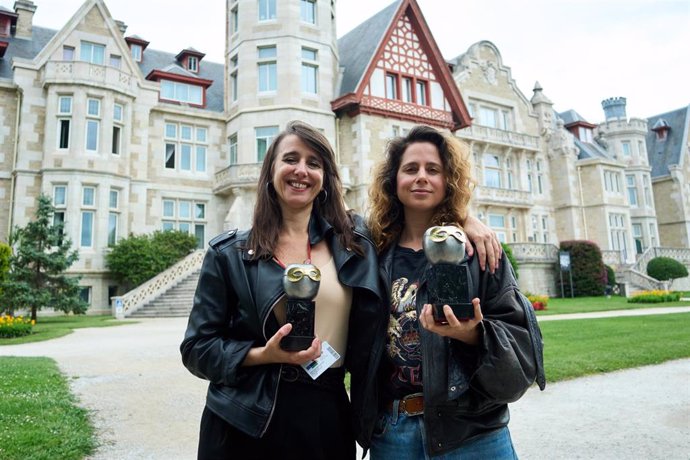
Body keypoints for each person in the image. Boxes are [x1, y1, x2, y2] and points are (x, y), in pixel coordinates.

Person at [180, 121, 501, 459]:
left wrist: (465, 219)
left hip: (326, 409)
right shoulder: (228, 253)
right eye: (290, 159)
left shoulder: (353, 240)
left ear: (325, 178)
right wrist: (264, 355)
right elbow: (196, 348)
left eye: (314, 163)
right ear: (270, 170)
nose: (301, 170)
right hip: (246, 415)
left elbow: (411, 211)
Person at [366, 125, 545, 459]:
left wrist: (473, 334)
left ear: (448, 180)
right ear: (393, 180)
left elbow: (515, 330)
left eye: (433, 170)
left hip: (472, 431)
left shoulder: (478, 249)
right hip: (393, 432)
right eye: (410, 169)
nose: (421, 177)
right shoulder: (374, 251)